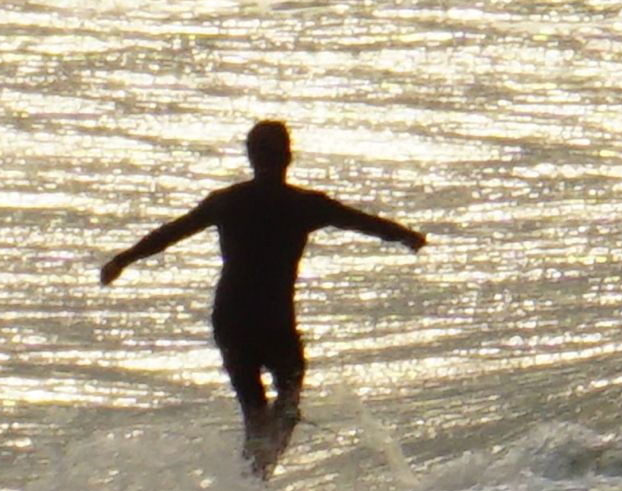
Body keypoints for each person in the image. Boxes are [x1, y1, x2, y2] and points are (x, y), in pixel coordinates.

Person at [98, 120, 425, 472]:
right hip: (274, 323)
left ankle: (247, 489)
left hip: (232, 320)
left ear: (251, 157)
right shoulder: (305, 205)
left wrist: (122, 259)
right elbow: (365, 222)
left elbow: (170, 233)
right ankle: (256, 482)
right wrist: (407, 236)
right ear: (289, 156)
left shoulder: (226, 202)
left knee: (255, 414)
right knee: (286, 406)